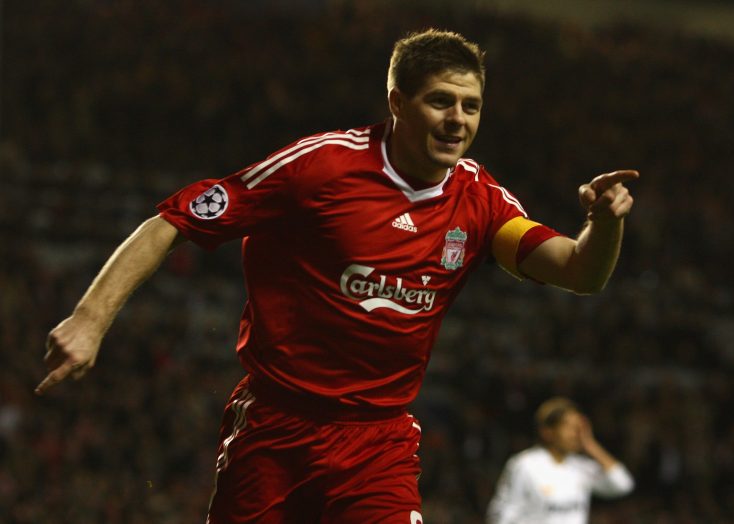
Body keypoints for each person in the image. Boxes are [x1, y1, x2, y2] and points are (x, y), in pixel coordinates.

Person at [37, 29, 637, 523]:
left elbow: (580, 273)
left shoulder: (480, 202)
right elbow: (173, 220)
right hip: (276, 431)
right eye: (441, 101)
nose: (458, 120)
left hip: (380, 443)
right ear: (398, 103)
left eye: (471, 105)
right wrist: (90, 319)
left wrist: (604, 225)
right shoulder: (320, 168)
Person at [486, 397, 635, 524]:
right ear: (548, 432)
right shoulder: (525, 465)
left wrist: (590, 445)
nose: (577, 434)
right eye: (570, 427)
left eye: (579, 428)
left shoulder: (581, 466)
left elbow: (623, 484)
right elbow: (501, 515)